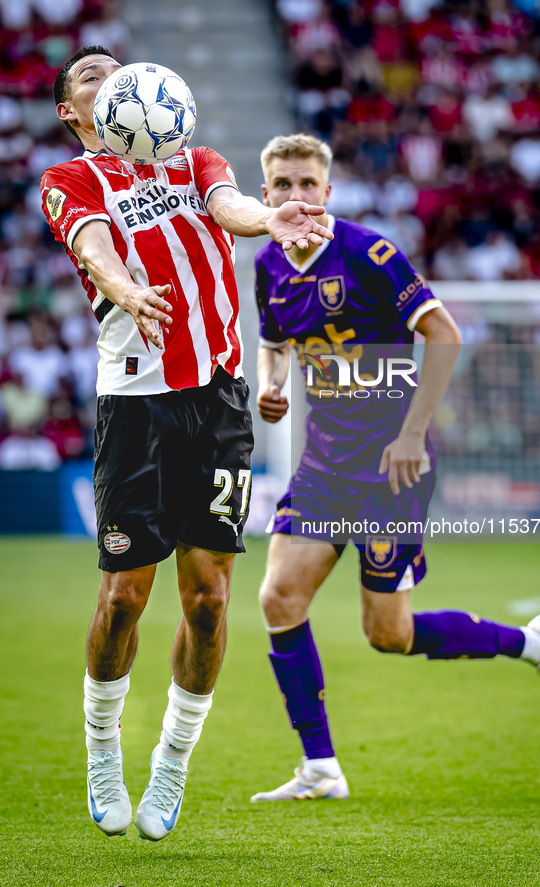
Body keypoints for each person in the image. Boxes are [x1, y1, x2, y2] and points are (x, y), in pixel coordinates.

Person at [41, 48, 334, 840]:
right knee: (124, 595)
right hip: (134, 407)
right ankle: (104, 747)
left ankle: (171, 762)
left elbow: (230, 204)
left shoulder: (194, 156)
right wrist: (124, 286)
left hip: (215, 402)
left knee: (207, 599)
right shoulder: (70, 182)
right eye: (91, 77)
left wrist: (271, 217)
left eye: (118, 67)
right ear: (73, 113)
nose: (114, 79)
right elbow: (96, 245)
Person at [250, 134, 540, 802]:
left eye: (306, 184)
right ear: (265, 196)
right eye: (282, 185)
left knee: (389, 633)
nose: (295, 196)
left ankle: (534, 642)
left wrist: (410, 435)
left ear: (327, 192)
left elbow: (444, 334)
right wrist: (271, 381)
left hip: (388, 469)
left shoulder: (370, 254)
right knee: (278, 597)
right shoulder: (266, 262)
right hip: (323, 464)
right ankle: (319, 765)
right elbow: (272, 343)